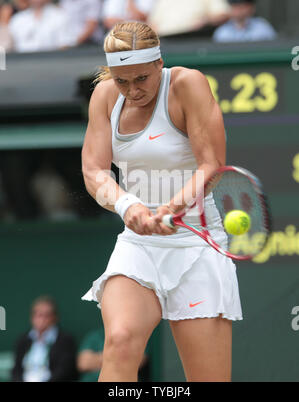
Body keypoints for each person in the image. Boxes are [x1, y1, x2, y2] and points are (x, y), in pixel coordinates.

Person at [81, 21, 242, 382]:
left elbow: (211, 164)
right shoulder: (106, 95)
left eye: (141, 78)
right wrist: (129, 207)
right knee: (120, 340)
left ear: (158, 63)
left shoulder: (188, 84)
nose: (132, 90)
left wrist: (172, 208)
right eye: (122, 80)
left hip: (197, 242)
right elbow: (94, 171)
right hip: (138, 244)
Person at [11, 296, 78, 382]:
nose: (42, 319)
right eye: (38, 315)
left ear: (54, 318)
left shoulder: (65, 340)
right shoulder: (23, 340)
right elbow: (16, 370)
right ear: (32, 318)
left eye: (47, 316)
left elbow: (64, 371)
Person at [77, 327, 150, 381]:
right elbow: (83, 364)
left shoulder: (137, 337)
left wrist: (97, 359)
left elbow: (136, 363)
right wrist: (118, 358)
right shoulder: (96, 336)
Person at [8, 0, 74, 53]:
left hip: (52, 62)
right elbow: (9, 46)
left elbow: (65, 45)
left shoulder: (60, 16)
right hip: (21, 63)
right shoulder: (17, 19)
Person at [148, 0, 230, 37]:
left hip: (193, 38)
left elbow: (223, 14)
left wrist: (205, 20)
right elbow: (152, 25)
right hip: (165, 42)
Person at [213, 0, 277, 42]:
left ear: (251, 8)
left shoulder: (262, 27)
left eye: (242, 6)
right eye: (235, 6)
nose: (238, 10)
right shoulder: (222, 32)